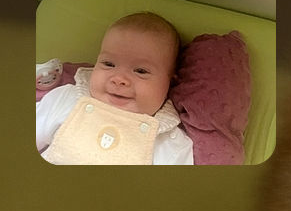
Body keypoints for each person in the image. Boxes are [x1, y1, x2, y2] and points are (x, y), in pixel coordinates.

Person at [36, 12, 194, 165]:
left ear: (170, 83)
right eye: (109, 64)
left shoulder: (169, 140)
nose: (119, 79)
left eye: (141, 71)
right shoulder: (67, 99)